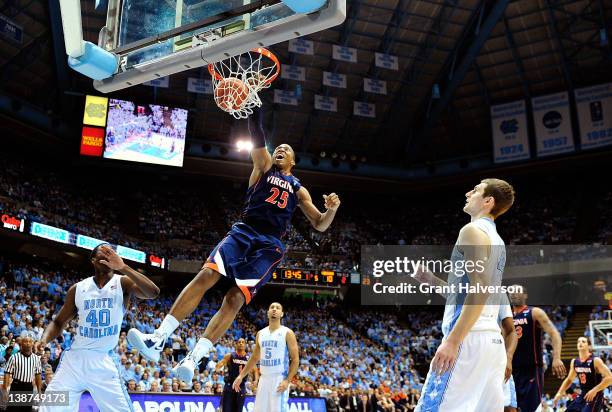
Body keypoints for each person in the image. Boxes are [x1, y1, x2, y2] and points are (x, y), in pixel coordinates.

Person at [127, 107, 340, 383]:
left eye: (286, 150)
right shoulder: (263, 166)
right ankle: (158, 337)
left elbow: (320, 223)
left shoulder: (299, 189)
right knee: (207, 274)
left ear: (293, 161)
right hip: (244, 231)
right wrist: (255, 107)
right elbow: (257, 134)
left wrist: (332, 210)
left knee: (235, 298)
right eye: (280, 148)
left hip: (270, 246)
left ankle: (194, 358)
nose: (281, 151)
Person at [414, 179, 515, 411]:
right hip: (491, 344)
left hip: (469, 341)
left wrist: (453, 341)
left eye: (477, 190)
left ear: (488, 201)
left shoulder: (472, 230)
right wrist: (431, 281)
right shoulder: (497, 239)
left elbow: (478, 291)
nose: (469, 192)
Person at [37, 243, 160, 412]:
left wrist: (124, 267)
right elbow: (58, 322)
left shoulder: (123, 283)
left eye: (111, 252)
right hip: (74, 361)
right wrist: (44, 340)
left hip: (103, 361)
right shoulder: (78, 289)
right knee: (50, 408)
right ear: (94, 260)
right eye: (104, 251)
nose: (108, 253)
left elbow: (153, 292)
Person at [232, 303, 299, 412]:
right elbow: (254, 358)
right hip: (263, 379)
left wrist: (287, 380)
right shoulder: (261, 333)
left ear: (281, 314)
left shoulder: (287, 333)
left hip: (279, 378)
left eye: (277, 308)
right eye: (272, 307)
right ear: (267, 313)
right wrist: (241, 376)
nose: (274, 309)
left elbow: (295, 360)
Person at [509, 287, 566, 412]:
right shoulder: (506, 317)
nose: (513, 294)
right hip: (511, 370)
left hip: (531, 369)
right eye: (511, 292)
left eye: (517, 291)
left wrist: (556, 358)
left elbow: (554, 334)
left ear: (525, 295)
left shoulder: (535, 312)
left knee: (530, 409)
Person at [553, 337, 612, 412]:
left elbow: (610, 378)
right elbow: (569, 379)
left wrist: (595, 390)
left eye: (583, 341)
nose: (580, 343)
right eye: (578, 341)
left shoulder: (595, 360)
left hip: (595, 395)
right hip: (582, 394)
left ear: (589, 346)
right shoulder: (574, 362)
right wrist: (559, 393)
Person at [0, 336, 42, 412]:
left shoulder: (36, 358)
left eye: (30, 342)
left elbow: (38, 375)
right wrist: (5, 389)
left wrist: (39, 391)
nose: (28, 343)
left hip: (29, 386)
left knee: (26, 409)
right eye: (25, 342)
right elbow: (7, 373)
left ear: (32, 344)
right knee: (13, 409)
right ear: (21, 344)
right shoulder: (14, 357)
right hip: (17, 385)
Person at [215, 338, 254, 411]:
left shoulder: (249, 358)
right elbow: (218, 366)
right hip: (230, 386)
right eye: (239, 342)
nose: (241, 343)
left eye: (243, 342)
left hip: (241, 386)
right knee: (226, 409)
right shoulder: (230, 355)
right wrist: (219, 370)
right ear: (236, 345)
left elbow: (255, 370)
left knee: (238, 410)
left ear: (245, 345)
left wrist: (255, 380)